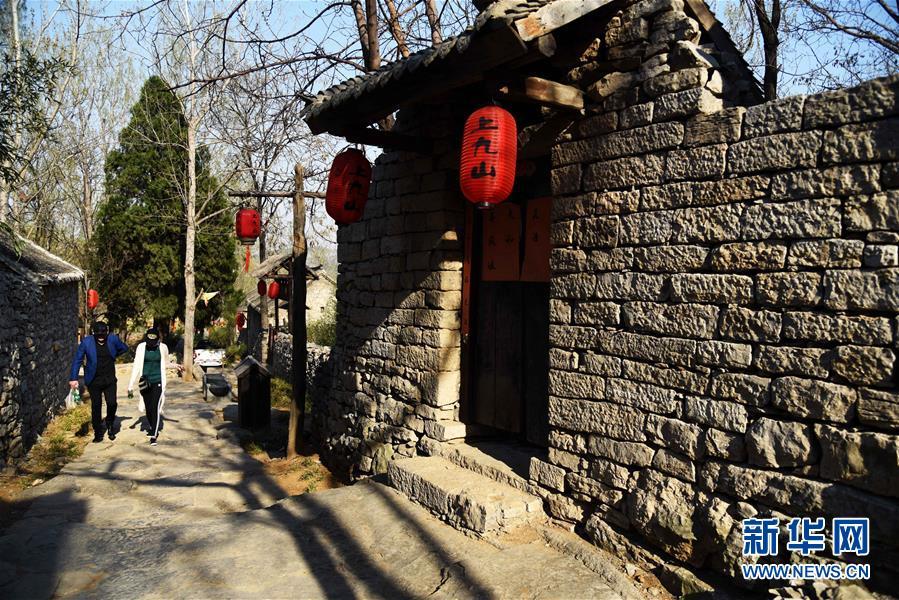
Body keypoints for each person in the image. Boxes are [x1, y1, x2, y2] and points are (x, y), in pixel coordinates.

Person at [69, 321, 129, 442]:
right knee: (96, 406)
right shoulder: (87, 342)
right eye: (98, 335)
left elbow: (124, 348)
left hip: (109, 378)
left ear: (106, 333)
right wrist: (73, 378)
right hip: (94, 379)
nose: (101, 337)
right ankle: (98, 432)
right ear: (94, 333)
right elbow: (77, 360)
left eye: (103, 335)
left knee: (112, 403)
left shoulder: (112, 339)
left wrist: (114, 355)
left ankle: (110, 424)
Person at [128, 327, 178, 446]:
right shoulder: (141, 347)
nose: (151, 344)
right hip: (145, 382)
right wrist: (130, 385)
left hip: (158, 381)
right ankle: (152, 427)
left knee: (155, 407)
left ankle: (154, 435)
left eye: (153, 341)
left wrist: (176, 366)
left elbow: (166, 363)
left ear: (158, 340)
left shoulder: (163, 347)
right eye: (149, 341)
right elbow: (136, 366)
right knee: (148, 408)